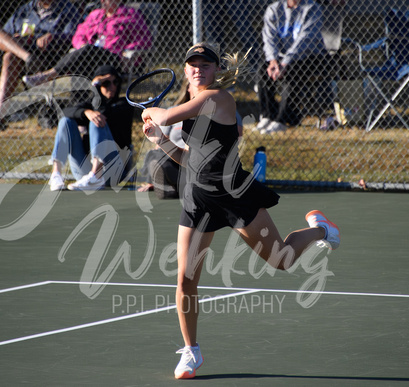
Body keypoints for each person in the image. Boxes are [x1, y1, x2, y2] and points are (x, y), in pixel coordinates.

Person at [140, 42, 340, 379]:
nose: (198, 69)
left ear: (217, 70)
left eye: (206, 64)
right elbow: (191, 160)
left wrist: (152, 114)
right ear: (186, 69)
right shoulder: (193, 104)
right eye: (193, 64)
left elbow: (165, 115)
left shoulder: (217, 99)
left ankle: (320, 228)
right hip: (198, 200)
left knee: (282, 260)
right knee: (186, 280)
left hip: (234, 195)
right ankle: (191, 351)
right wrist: (161, 141)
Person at [0, 0, 82, 133]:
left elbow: (75, 36)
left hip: (45, 58)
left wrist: (52, 37)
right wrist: (15, 38)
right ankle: (26, 57)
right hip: (21, 52)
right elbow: (4, 32)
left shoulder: (67, 9)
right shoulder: (27, 8)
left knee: (9, 56)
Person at [22, 0, 152, 87]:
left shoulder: (130, 15)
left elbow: (145, 39)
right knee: (84, 57)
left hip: (114, 58)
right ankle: (81, 118)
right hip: (88, 56)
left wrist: (128, 52)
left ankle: (48, 75)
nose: (102, 1)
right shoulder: (95, 15)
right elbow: (78, 34)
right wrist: (81, 46)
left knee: (87, 51)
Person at [48, 64, 134, 191]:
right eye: (106, 83)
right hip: (84, 172)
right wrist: (86, 112)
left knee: (97, 119)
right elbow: (66, 112)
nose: (113, 86)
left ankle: (96, 175)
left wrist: (92, 110)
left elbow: (104, 112)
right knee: (66, 121)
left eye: (115, 82)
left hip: (114, 171)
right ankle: (56, 174)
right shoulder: (90, 104)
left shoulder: (125, 104)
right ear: (99, 86)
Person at [254, 0, 330, 134]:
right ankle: (267, 116)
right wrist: (273, 61)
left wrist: (285, 63)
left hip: (309, 57)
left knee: (293, 71)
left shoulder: (312, 8)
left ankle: (282, 120)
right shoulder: (274, 9)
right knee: (262, 69)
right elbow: (269, 38)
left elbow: (306, 39)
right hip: (280, 58)